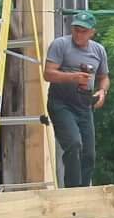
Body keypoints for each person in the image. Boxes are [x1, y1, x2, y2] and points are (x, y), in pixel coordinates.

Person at [44, 12, 110, 186]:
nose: (78, 34)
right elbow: (48, 74)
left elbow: (104, 76)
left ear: (92, 32)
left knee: (89, 154)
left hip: (84, 104)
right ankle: (72, 191)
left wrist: (102, 91)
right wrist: (73, 77)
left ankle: (84, 191)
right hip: (61, 101)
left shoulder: (98, 50)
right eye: (76, 30)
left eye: (83, 31)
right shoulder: (60, 45)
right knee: (74, 144)